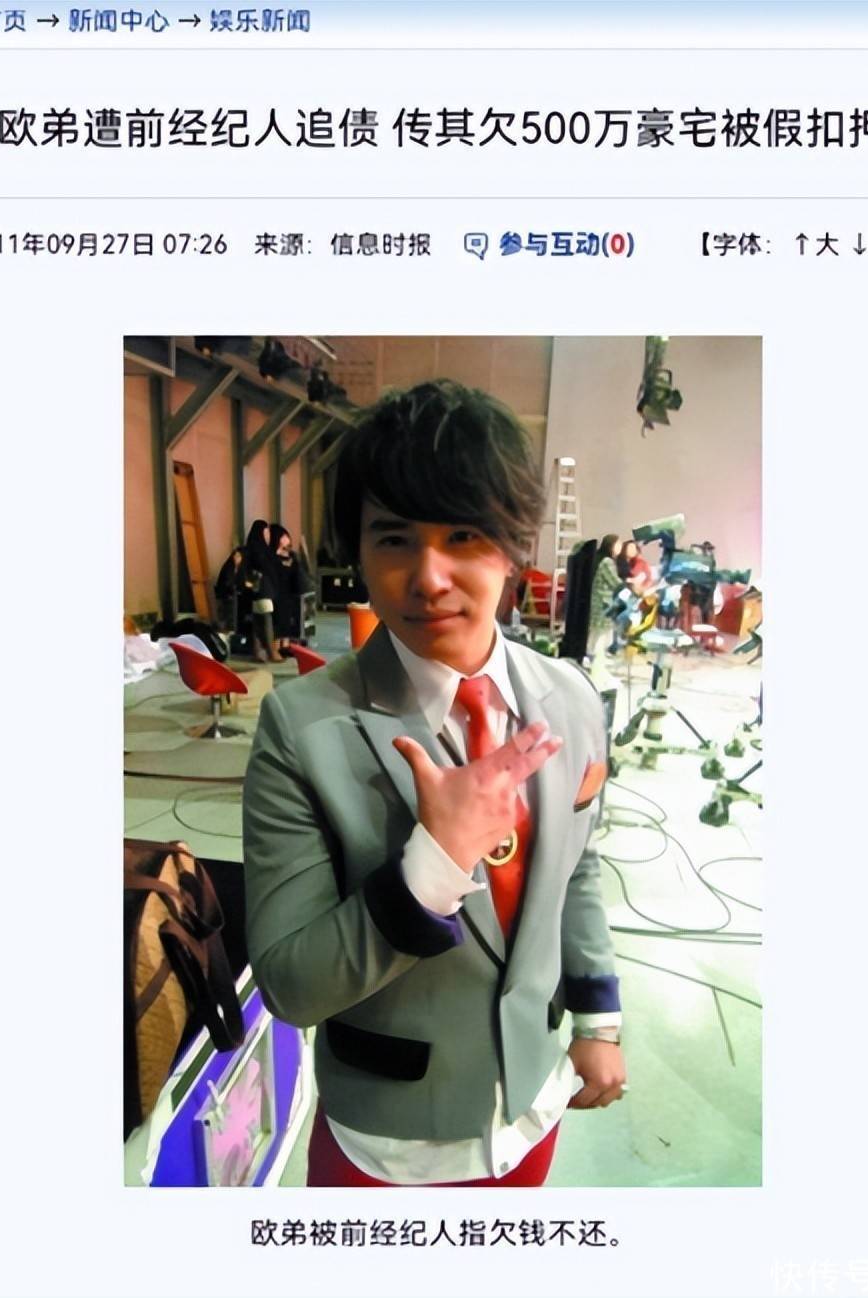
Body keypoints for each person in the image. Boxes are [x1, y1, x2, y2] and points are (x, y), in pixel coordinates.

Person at [243, 380, 625, 1189]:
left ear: (513, 545)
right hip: (390, 1144)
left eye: (463, 535)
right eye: (394, 539)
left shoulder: (571, 699)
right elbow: (290, 985)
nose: (429, 577)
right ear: (357, 551)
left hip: (532, 1110)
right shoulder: (302, 728)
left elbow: (578, 870)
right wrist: (434, 865)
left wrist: (598, 1015)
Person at [244, 519, 282, 663]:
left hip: (257, 590)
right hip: (263, 590)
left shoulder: (253, 548)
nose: (268, 536)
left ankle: (258, 651)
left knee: (258, 621)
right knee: (266, 619)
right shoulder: (259, 550)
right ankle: (272, 652)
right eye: (266, 533)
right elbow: (266, 567)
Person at [587, 533, 623, 672]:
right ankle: (595, 658)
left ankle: (597, 657)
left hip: (600, 601)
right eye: (618, 544)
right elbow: (614, 582)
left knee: (599, 633)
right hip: (603, 602)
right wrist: (630, 586)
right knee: (600, 634)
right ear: (611, 545)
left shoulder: (601, 559)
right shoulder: (607, 562)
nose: (620, 547)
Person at [268, 523, 303, 652]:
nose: (286, 539)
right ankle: (277, 646)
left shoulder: (291, 556)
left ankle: (286, 644)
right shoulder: (271, 556)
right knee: (279, 613)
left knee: (288, 612)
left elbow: (296, 575)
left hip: (289, 591)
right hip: (275, 591)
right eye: (283, 537)